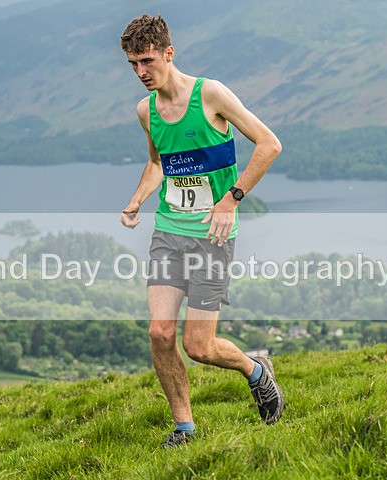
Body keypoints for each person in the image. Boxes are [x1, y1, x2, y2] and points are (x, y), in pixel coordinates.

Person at [119, 14, 284, 447]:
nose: (141, 73)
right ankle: (185, 427)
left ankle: (255, 369)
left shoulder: (209, 95)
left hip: (212, 235)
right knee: (159, 332)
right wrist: (137, 201)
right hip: (169, 230)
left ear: (169, 54)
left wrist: (231, 198)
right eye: (134, 64)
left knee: (199, 345)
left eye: (148, 61)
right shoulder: (147, 111)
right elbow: (159, 164)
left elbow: (269, 144)